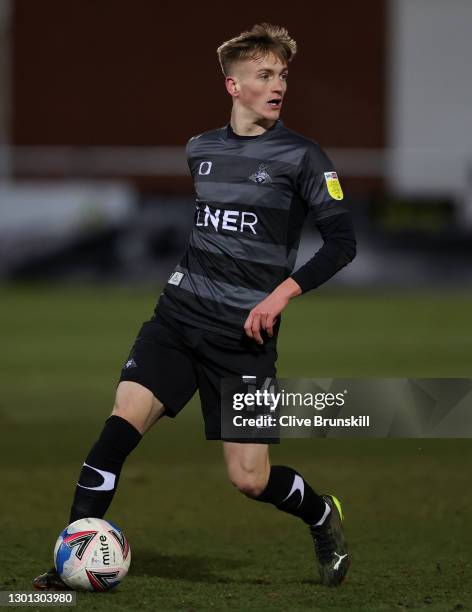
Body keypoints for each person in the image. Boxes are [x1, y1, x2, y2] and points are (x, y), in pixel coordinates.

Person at [33, 22, 356, 590]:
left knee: (250, 480)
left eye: (282, 74)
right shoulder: (200, 149)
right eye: (264, 74)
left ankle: (321, 513)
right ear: (234, 86)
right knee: (117, 431)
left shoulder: (304, 158)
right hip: (177, 320)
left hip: (243, 341)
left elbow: (342, 243)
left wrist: (281, 294)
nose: (278, 84)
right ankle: (70, 564)